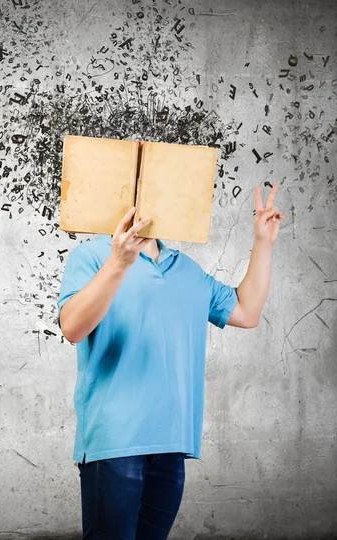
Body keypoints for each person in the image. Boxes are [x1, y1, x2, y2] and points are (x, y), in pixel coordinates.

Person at [57, 185, 284, 540]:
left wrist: (264, 243)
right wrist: (118, 262)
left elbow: (246, 311)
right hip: (114, 444)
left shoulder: (188, 270)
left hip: (172, 444)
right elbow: (72, 327)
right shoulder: (91, 256)